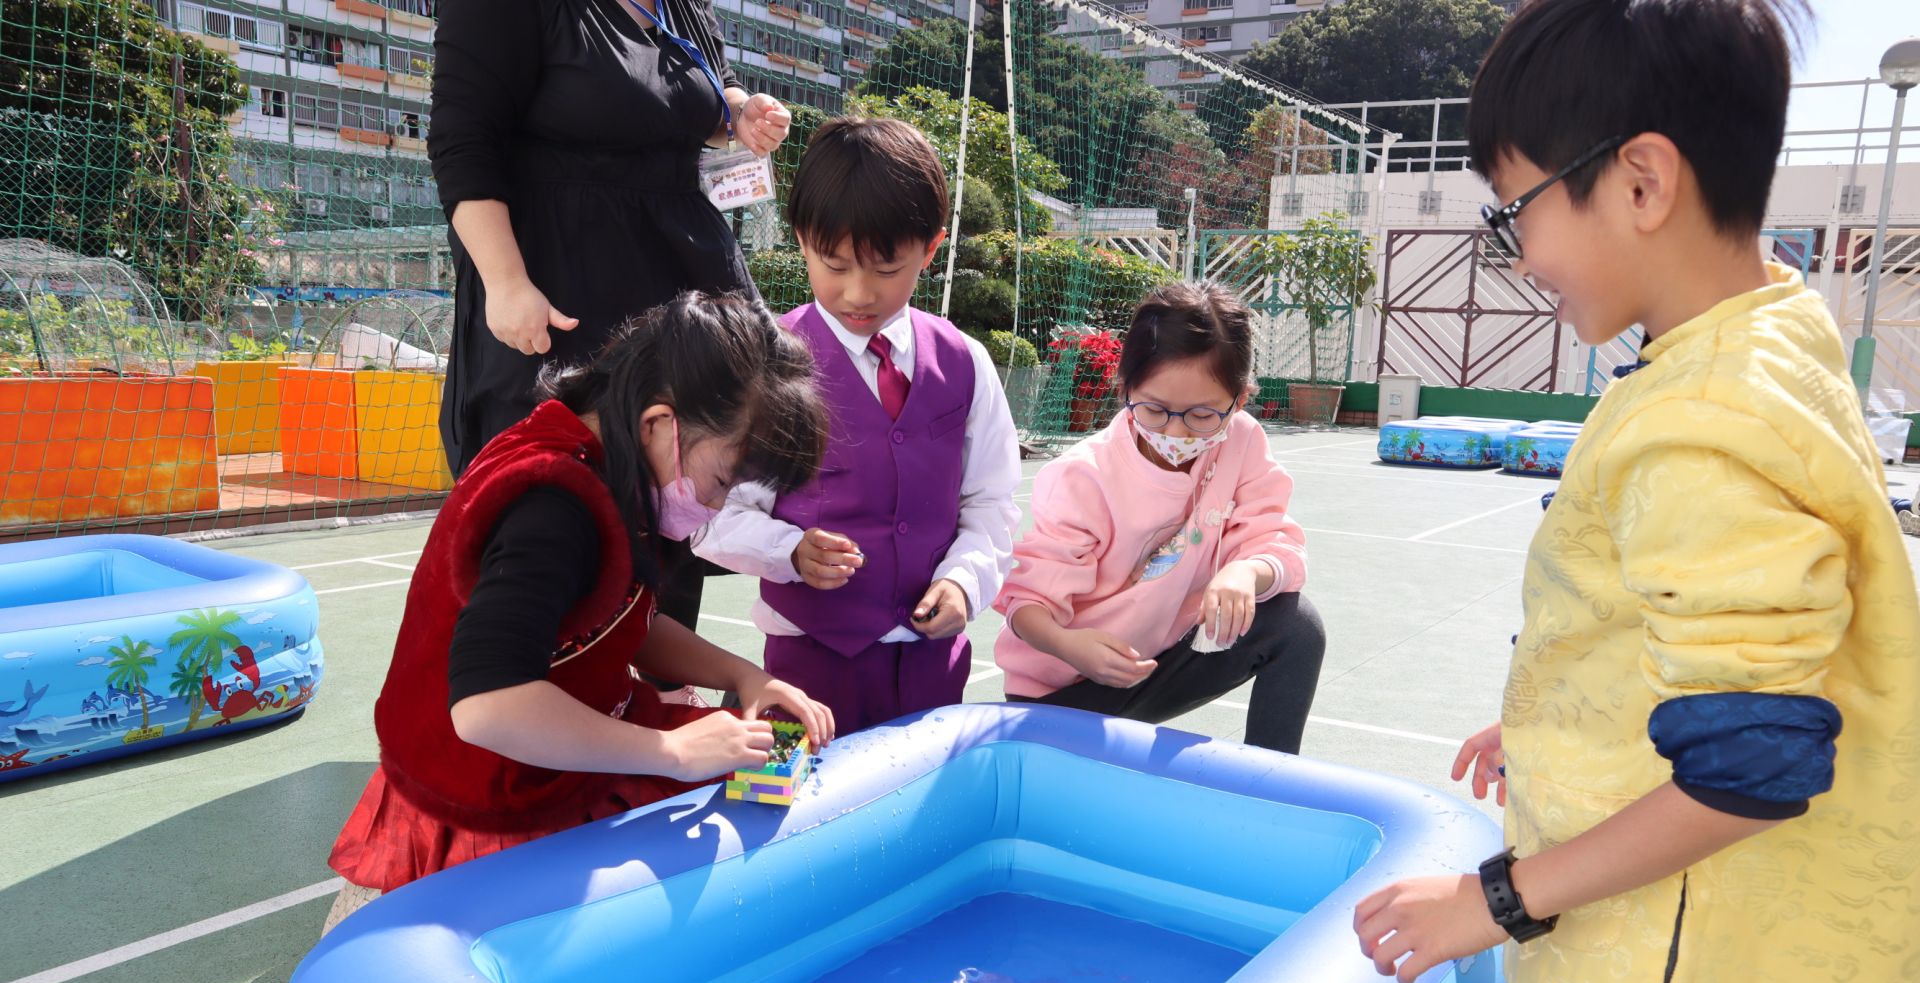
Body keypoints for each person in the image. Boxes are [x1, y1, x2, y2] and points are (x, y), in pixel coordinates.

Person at [1350, 4, 1920, 983]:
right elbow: (1700, 638)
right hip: (1717, 945)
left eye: (1517, 210)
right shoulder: (1770, 331)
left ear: (1642, 181)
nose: (1520, 252)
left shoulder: (1701, 424)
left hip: (1641, 960)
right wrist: (1556, 722)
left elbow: (1750, 769)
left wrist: (1492, 899)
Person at [322, 293, 834, 933]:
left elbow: (620, 620)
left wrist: (743, 676)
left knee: (757, 759)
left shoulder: (611, 464)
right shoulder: (552, 508)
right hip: (493, 791)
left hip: (565, 747)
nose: (716, 506)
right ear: (658, 424)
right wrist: (671, 750)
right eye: (723, 482)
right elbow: (487, 708)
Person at [428, 0, 793, 654]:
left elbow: (707, 94)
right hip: (559, 293)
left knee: (676, 507)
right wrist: (505, 282)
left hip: (678, 288)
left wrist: (740, 113)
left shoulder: (683, 5)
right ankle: (523, 696)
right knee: (551, 516)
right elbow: (464, 139)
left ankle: (659, 695)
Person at [695, 118, 1022, 735]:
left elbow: (992, 502)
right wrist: (788, 551)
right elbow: (710, 513)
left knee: (927, 796)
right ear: (802, 240)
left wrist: (964, 581)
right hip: (805, 670)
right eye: (835, 264)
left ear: (931, 249)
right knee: (792, 793)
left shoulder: (966, 361)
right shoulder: (765, 366)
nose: (858, 293)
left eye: (886, 268)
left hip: (933, 666)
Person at [993, 283, 1325, 752]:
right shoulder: (1084, 475)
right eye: (1153, 410)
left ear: (1239, 400)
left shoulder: (1242, 441)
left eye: (1202, 415)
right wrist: (1071, 647)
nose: (1176, 432)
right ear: (1126, 388)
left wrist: (1246, 571)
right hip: (1065, 690)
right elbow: (1028, 603)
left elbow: (1273, 539)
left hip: (1154, 665)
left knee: (1296, 626)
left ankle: (1268, 779)